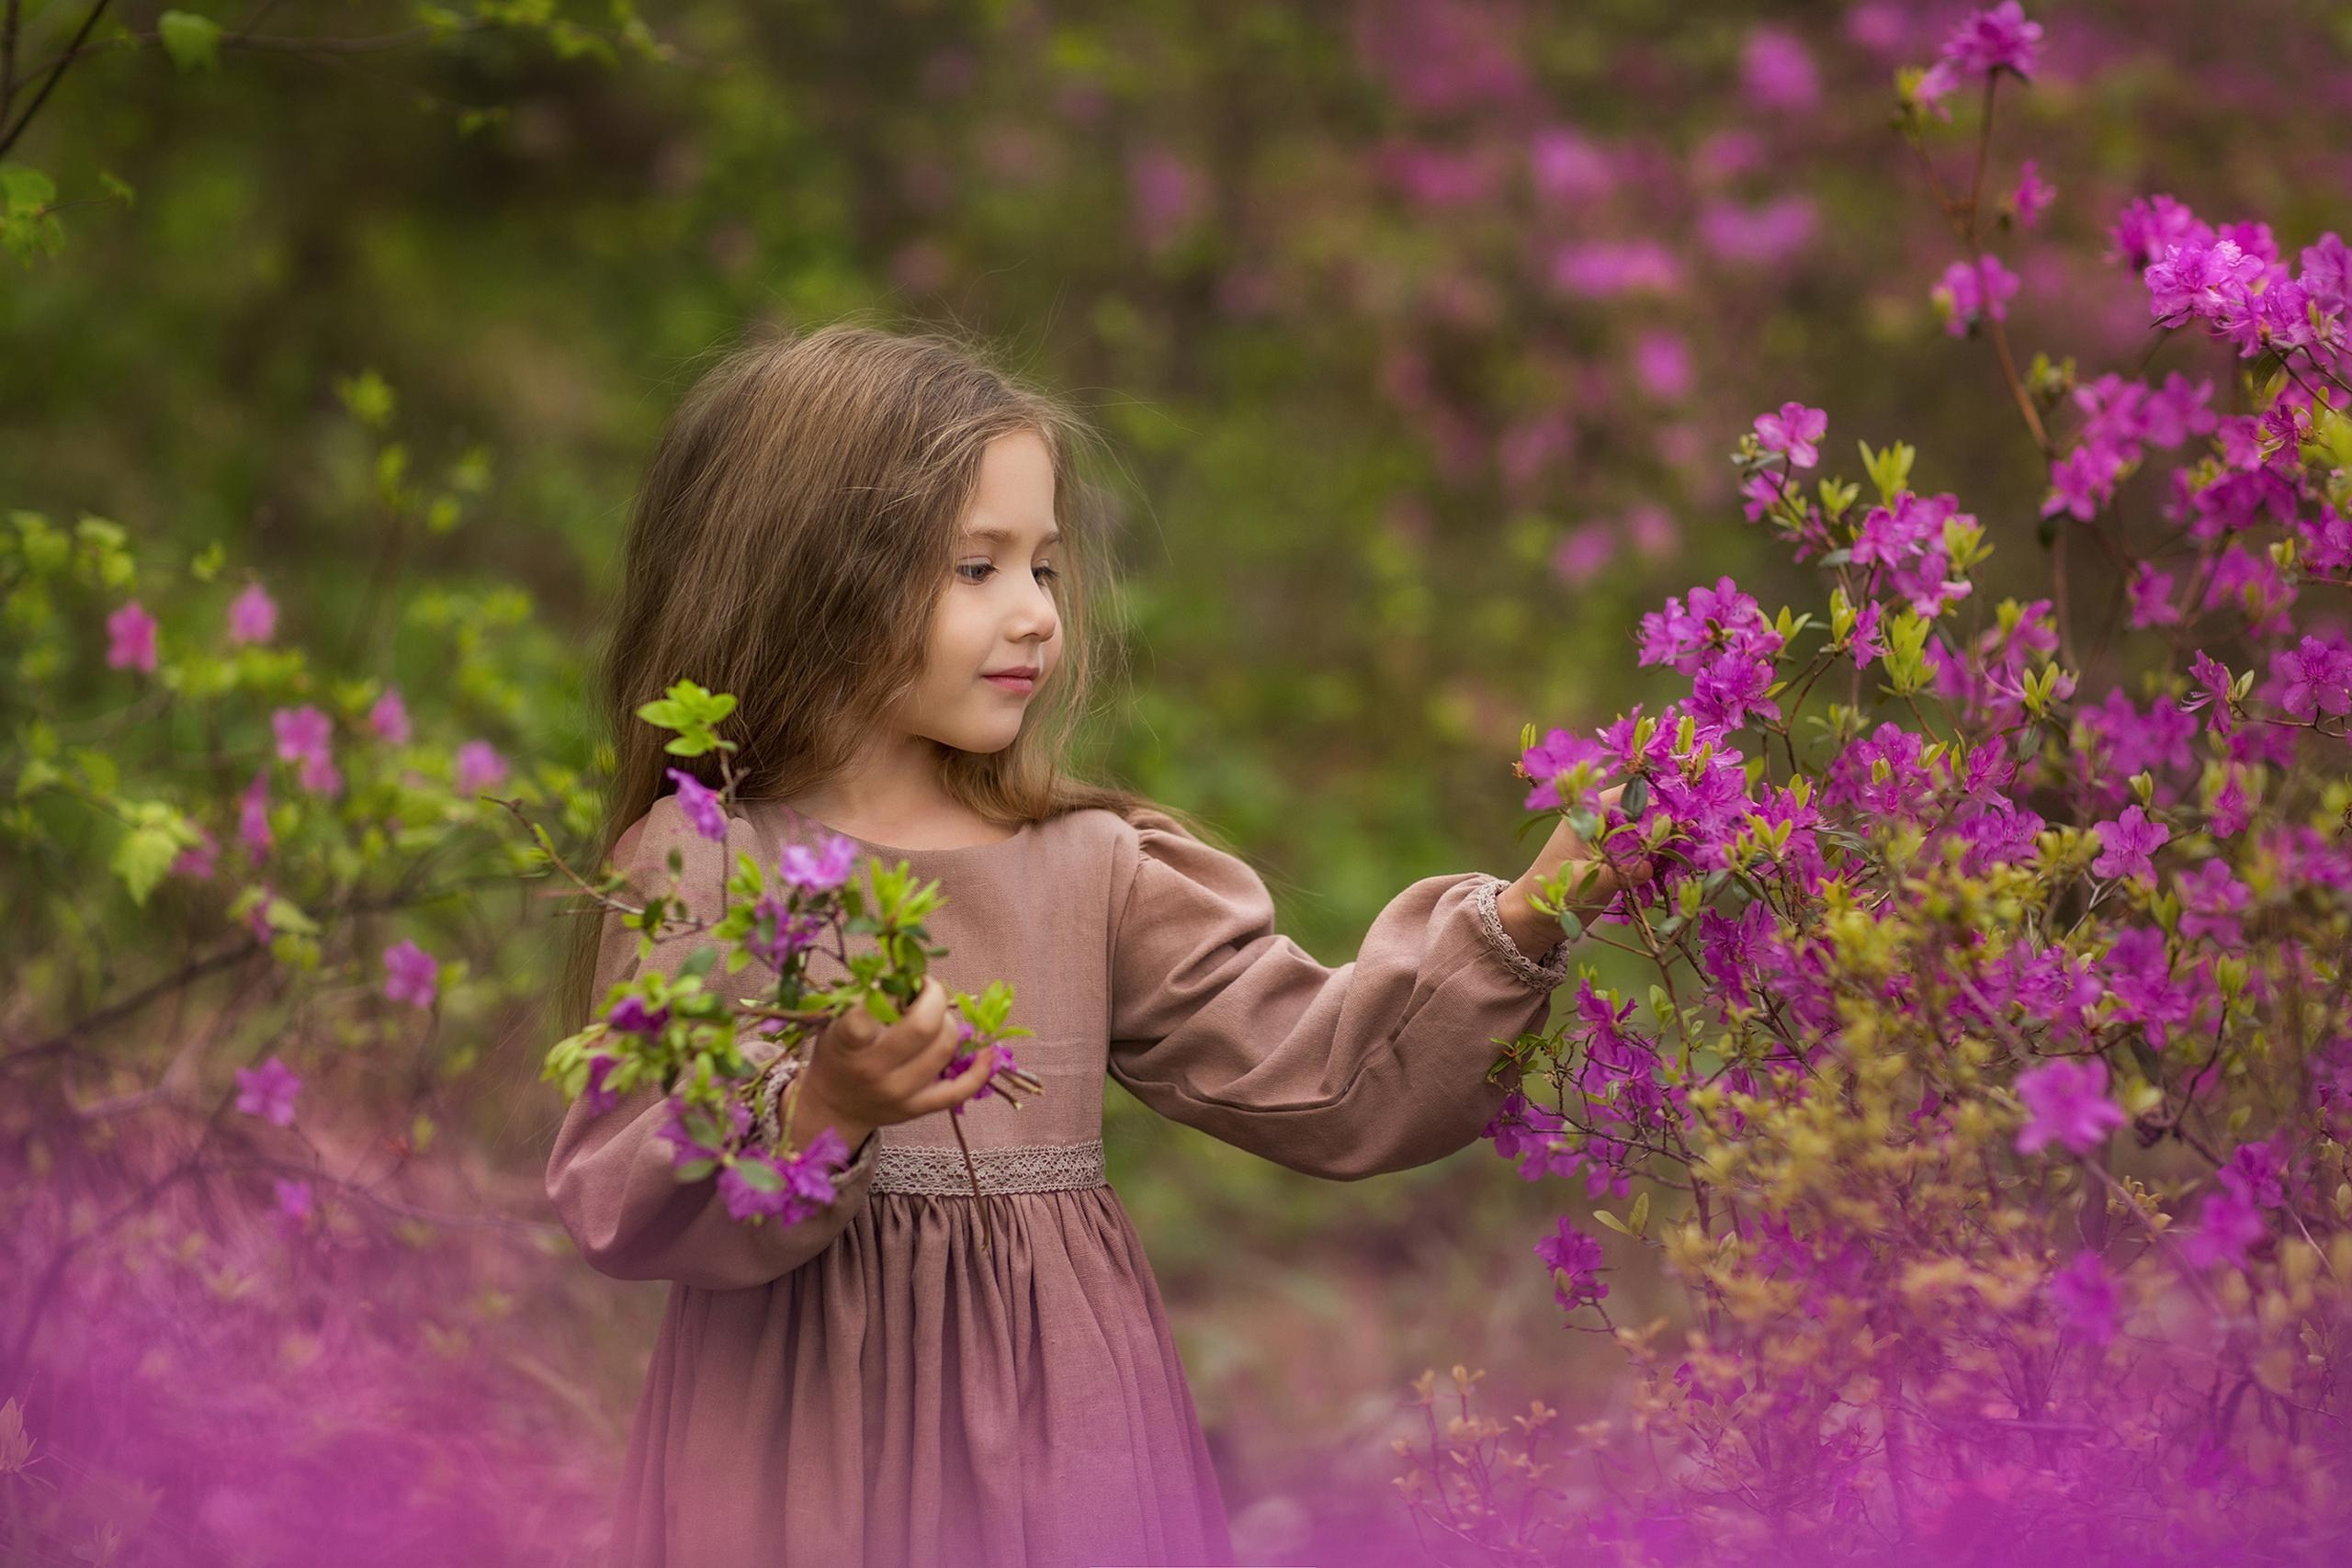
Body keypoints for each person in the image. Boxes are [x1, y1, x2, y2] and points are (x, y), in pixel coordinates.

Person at [543, 320, 1639, 1566]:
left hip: (1068, 1463)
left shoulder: (1088, 866)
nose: (1034, 618)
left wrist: (1539, 908)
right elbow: (620, 1193)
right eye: (976, 569)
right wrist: (819, 1109)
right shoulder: (711, 867)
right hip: (798, 1468)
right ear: (816, 574)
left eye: (1045, 569)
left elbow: (1328, 1073)